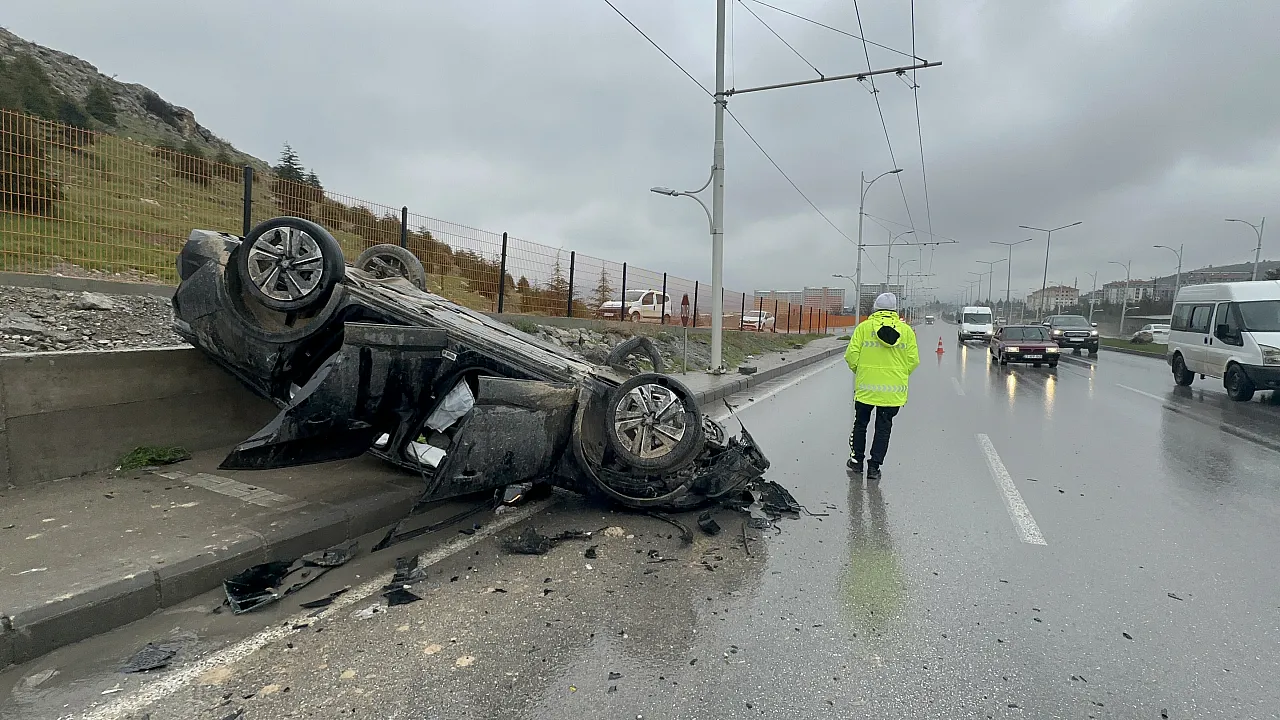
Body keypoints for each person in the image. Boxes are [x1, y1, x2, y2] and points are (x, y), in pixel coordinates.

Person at [844, 292, 919, 480]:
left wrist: (861, 372)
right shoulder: (906, 331)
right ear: (895, 310)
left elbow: (851, 356)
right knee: (883, 429)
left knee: (860, 424)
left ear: (875, 309)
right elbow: (913, 361)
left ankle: (856, 461)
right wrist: (898, 375)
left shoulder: (863, 328)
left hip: (866, 389)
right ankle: (874, 468)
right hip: (892, 393)